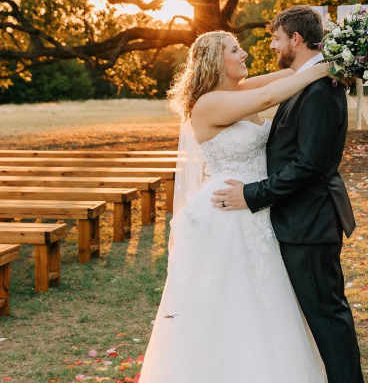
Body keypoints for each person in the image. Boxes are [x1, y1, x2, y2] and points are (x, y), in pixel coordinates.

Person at [138, 29, 331, 382]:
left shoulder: (236, 91)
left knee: (266, 300)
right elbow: (269, 97)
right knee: (230, 303)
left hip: (256, 208)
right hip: (225, 214)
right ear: (216, 61)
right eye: (235, 50)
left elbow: (288, 76)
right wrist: (322, 70)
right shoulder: (209, 104)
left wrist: (325, 58)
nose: (244, 54)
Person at [212, 6, 364, 383]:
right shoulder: (308, 81)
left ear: (295, 39)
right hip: (298, 220)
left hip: (310, 222)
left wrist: (252, 194)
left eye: (277, 38)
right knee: (318, 316)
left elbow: (309, 165)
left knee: (328, 318)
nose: (273, 45)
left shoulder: (319, 89)